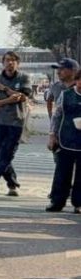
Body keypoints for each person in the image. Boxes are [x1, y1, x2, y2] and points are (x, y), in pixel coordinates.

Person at [0, 51, 33, 196]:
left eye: (13, 60)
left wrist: (5, 89)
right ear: (3, 62)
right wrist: (8, 99)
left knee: (6, 154)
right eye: (7, 60)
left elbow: (23, 97)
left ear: (17, 63)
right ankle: (12, 183)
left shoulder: (24, 78)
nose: (10, 63)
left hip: (16, 122)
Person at [48, 63, 81, 212]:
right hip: (65, 137)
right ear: (76, 80)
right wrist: (52, 135)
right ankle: (57, 201)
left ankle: (78, 203)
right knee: (62, 172)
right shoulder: (66, 94)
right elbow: (57, 115)